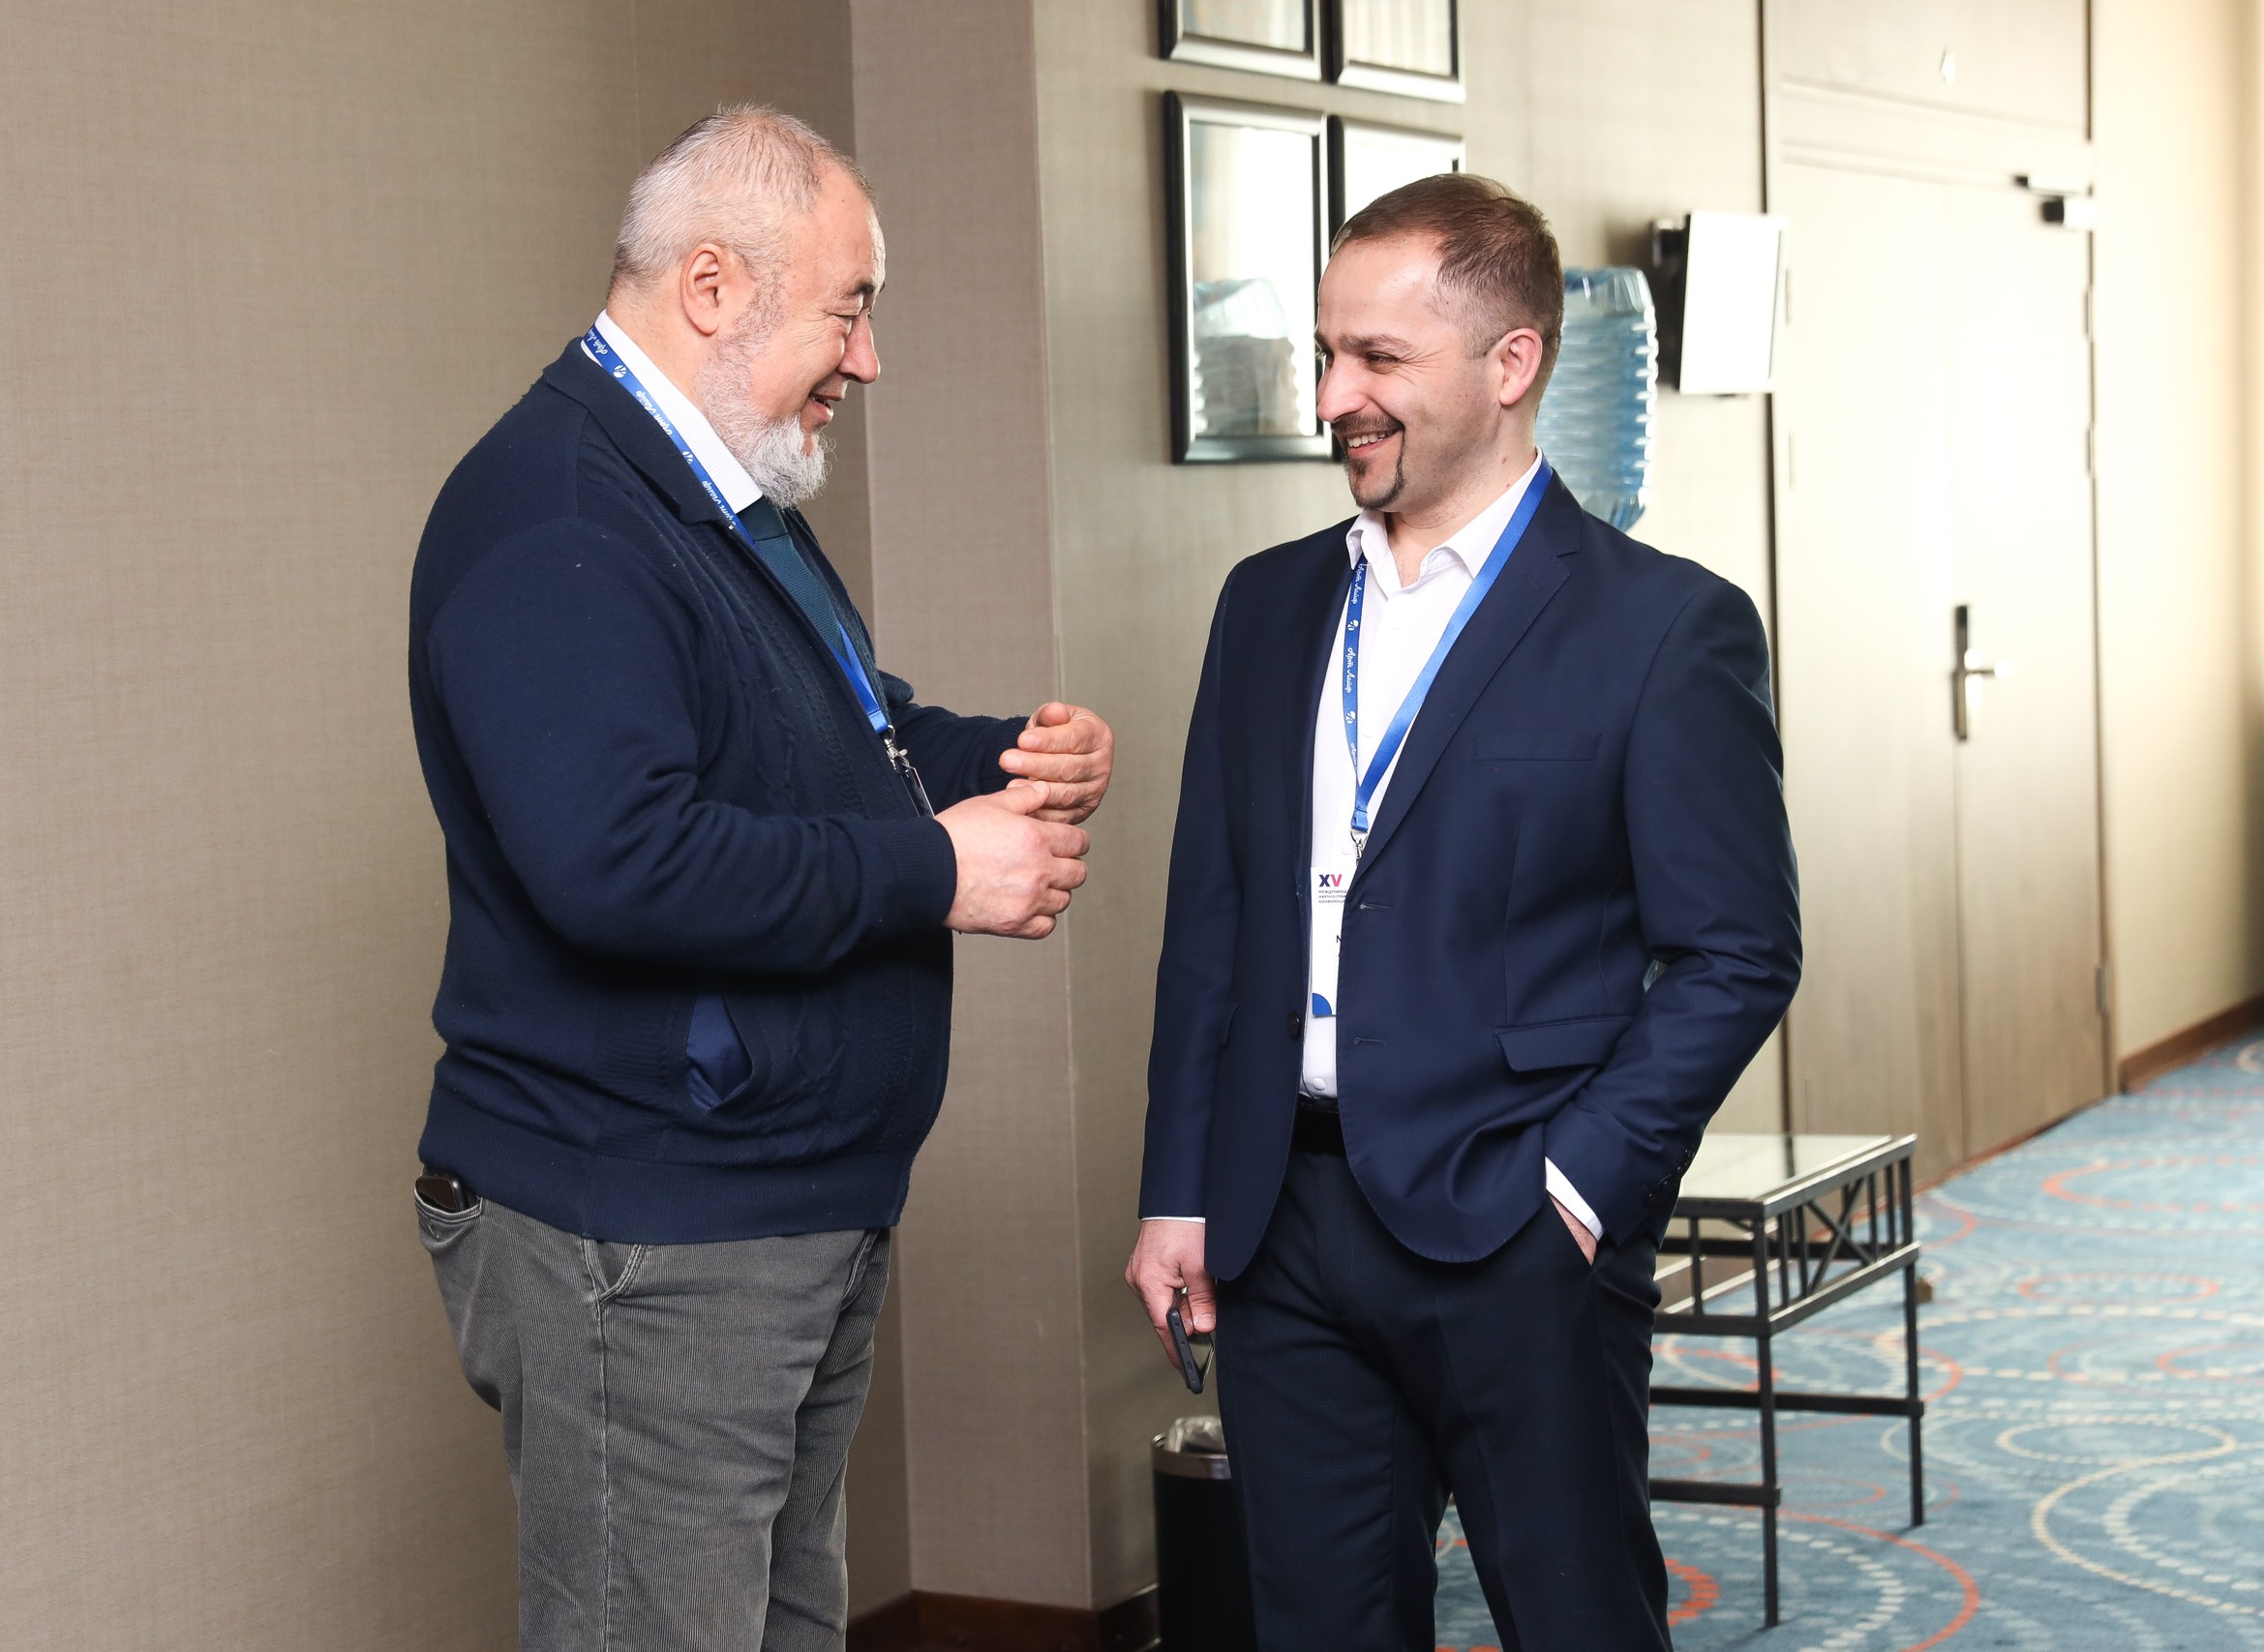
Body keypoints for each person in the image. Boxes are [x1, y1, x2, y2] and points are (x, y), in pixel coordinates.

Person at [407, 106, 1113, 1651]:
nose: (870, 360)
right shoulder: (561, 520)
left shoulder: (712, 491)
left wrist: (998, 757)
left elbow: (829, 733)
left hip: (772, 1216)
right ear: (713, 289)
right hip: (650, 1238)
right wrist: (937, 869)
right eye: (849, 311)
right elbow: (619, 864)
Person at [1126, 173, 1799, 1651]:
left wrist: (1580, 1186)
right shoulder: (1264, 606)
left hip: (1516, 1227)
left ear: (1511, 364)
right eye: (1325, 353)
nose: (1333, 398)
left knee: (1577, 1623)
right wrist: (1179, 1188)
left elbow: (1739, 951)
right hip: (1279, 1227)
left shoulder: (1661, 627)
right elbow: (1213, 925)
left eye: (1378, 358)